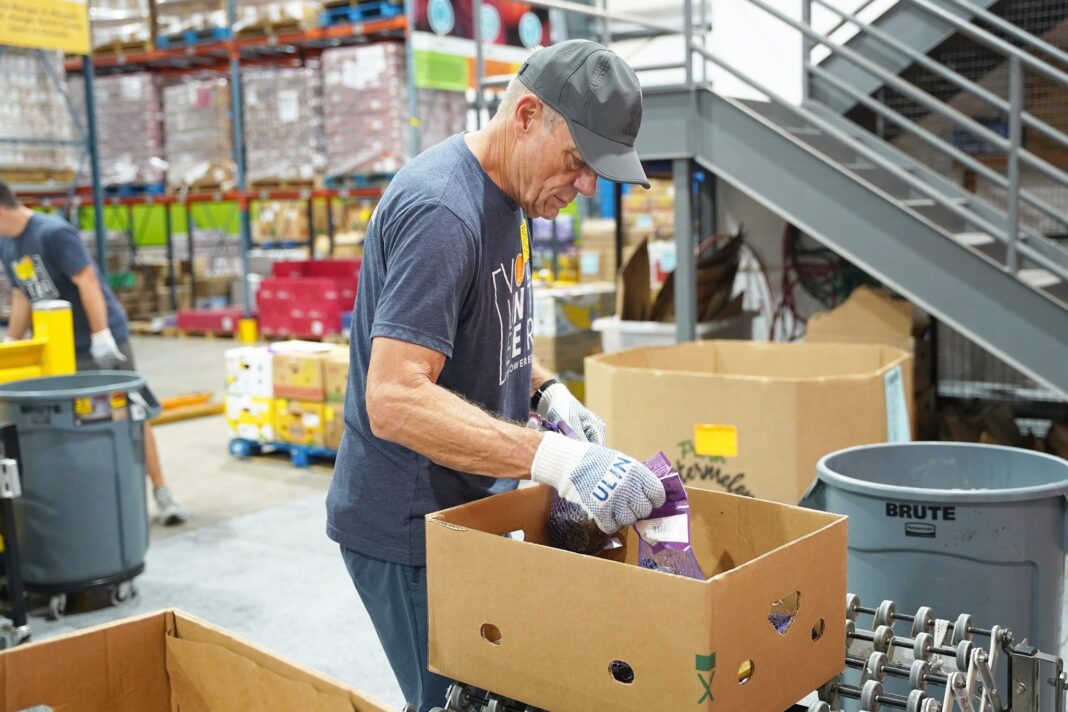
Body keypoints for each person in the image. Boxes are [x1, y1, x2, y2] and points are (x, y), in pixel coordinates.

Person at [326, 40, 661, 711]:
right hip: (410, 527)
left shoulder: (508, 195)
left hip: (464, 509)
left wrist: (546, 392)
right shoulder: (443, 213)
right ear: (528, 115)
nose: (588, 187)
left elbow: (485, 326)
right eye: (578, 162)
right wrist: (556, 457)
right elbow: (394, 398)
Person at [0, 179, 187, 526]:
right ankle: (92, 502)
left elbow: (86, 280)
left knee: (128, 414)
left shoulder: (52, 232)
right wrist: (12, 344)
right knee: (74, 424)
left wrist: (102, 336)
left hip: (97, 341)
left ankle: (163, 493)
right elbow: (23, 294)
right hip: (58, 349)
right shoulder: (8, 245)